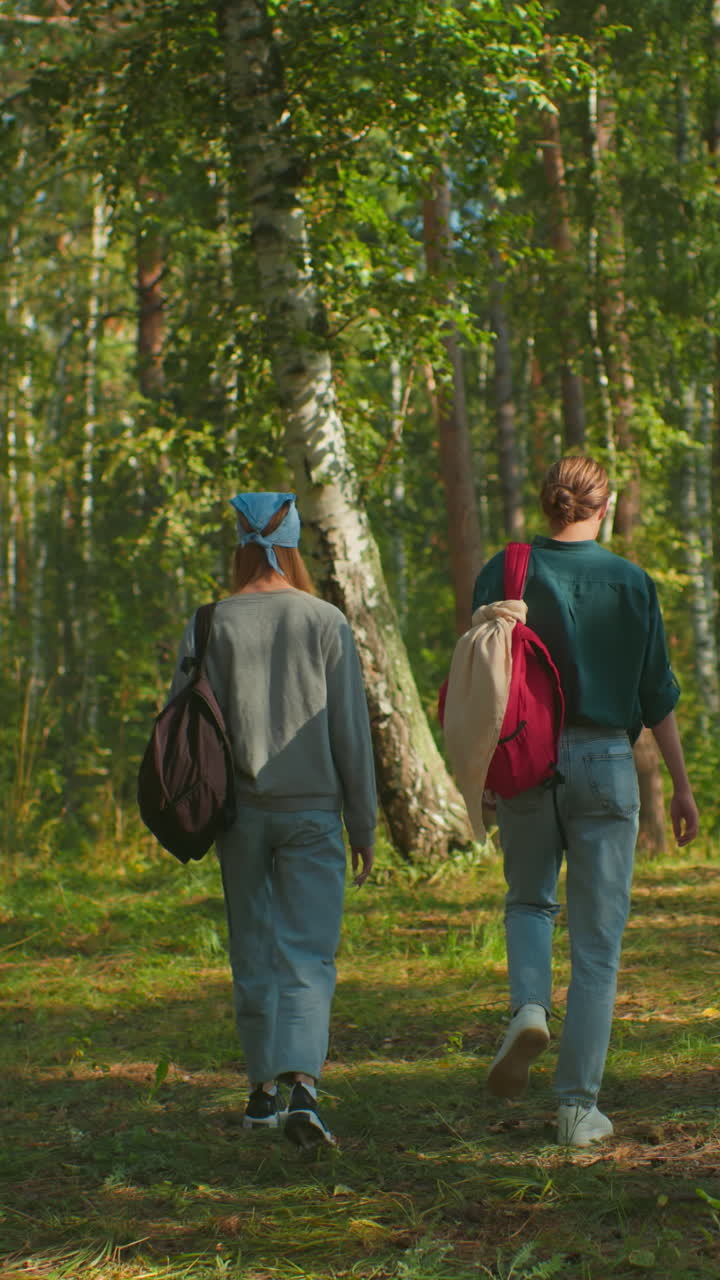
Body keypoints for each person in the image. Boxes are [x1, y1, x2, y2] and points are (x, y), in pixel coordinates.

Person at [472, 455, 699, 1147]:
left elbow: (481, 677)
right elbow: (656, 694)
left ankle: (528, 1008)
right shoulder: (631, 582)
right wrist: (682, 785)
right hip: (605, 761)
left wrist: (480, 770)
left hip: (526, 757)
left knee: (529, 901)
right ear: (604, 505)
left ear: (549, 503)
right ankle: (576, 1109)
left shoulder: (505, 570)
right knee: (598, 945)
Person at [168, 492, 377, 1150]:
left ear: (240, 544)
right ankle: (303, 1090)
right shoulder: (325, 621)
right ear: (291, 543)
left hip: (241, 817)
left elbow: (179, 721)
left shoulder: (210, 623)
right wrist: (363, 824)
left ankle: (261, 1095)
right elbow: (351, 732)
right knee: (309, 953)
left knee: (252, 950)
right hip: (313, 813)